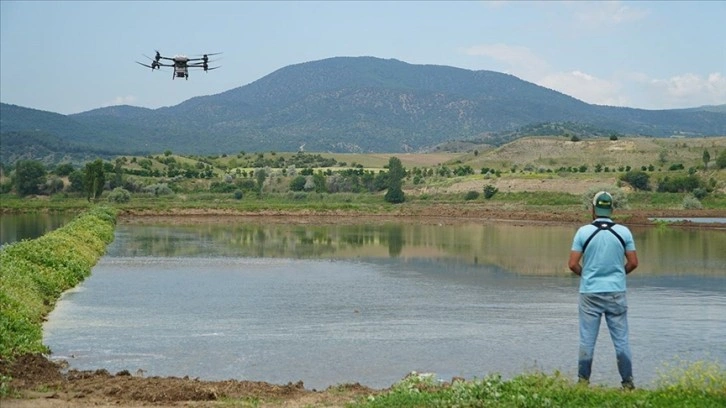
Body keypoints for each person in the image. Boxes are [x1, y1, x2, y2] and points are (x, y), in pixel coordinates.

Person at [568, 191, 639, 389]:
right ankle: (627, 384)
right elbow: (633, 262)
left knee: (587, 340)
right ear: (611, 210)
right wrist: (618, 276)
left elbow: (572, 264)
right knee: (621, 340)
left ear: (593, 209)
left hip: (589, 292)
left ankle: (583, 384)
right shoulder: (624, 232)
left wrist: (588, 276)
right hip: (616, 292)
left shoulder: (583, 232)